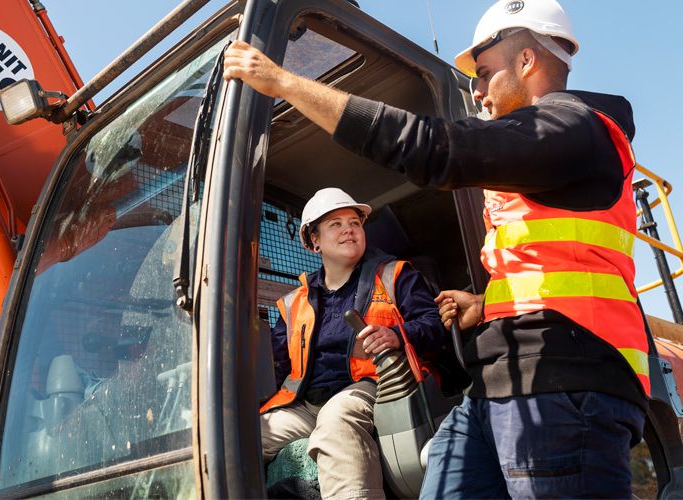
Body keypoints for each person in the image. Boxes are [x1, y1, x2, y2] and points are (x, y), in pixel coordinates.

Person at [224, 0, 648, 497]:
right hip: (499, 379)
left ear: (528, 61)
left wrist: (284, 84)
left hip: (565, 378)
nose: (477, 90)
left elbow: (434, 149)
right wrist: (485, 303)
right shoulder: (295, 301)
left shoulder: (577, 128)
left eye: (485, 73)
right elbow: (551, 272)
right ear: (312, 241)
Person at [261, 187, 444, 500]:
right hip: (305, 405)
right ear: (313, 241)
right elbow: (278, 367)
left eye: (355, 223)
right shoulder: (292, 304)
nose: (349, 229)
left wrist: (398, 336)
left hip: (374, 387)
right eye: (336, 224)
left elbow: (434, 326)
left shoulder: (396, 275)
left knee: (336, 422)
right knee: (243, 440)